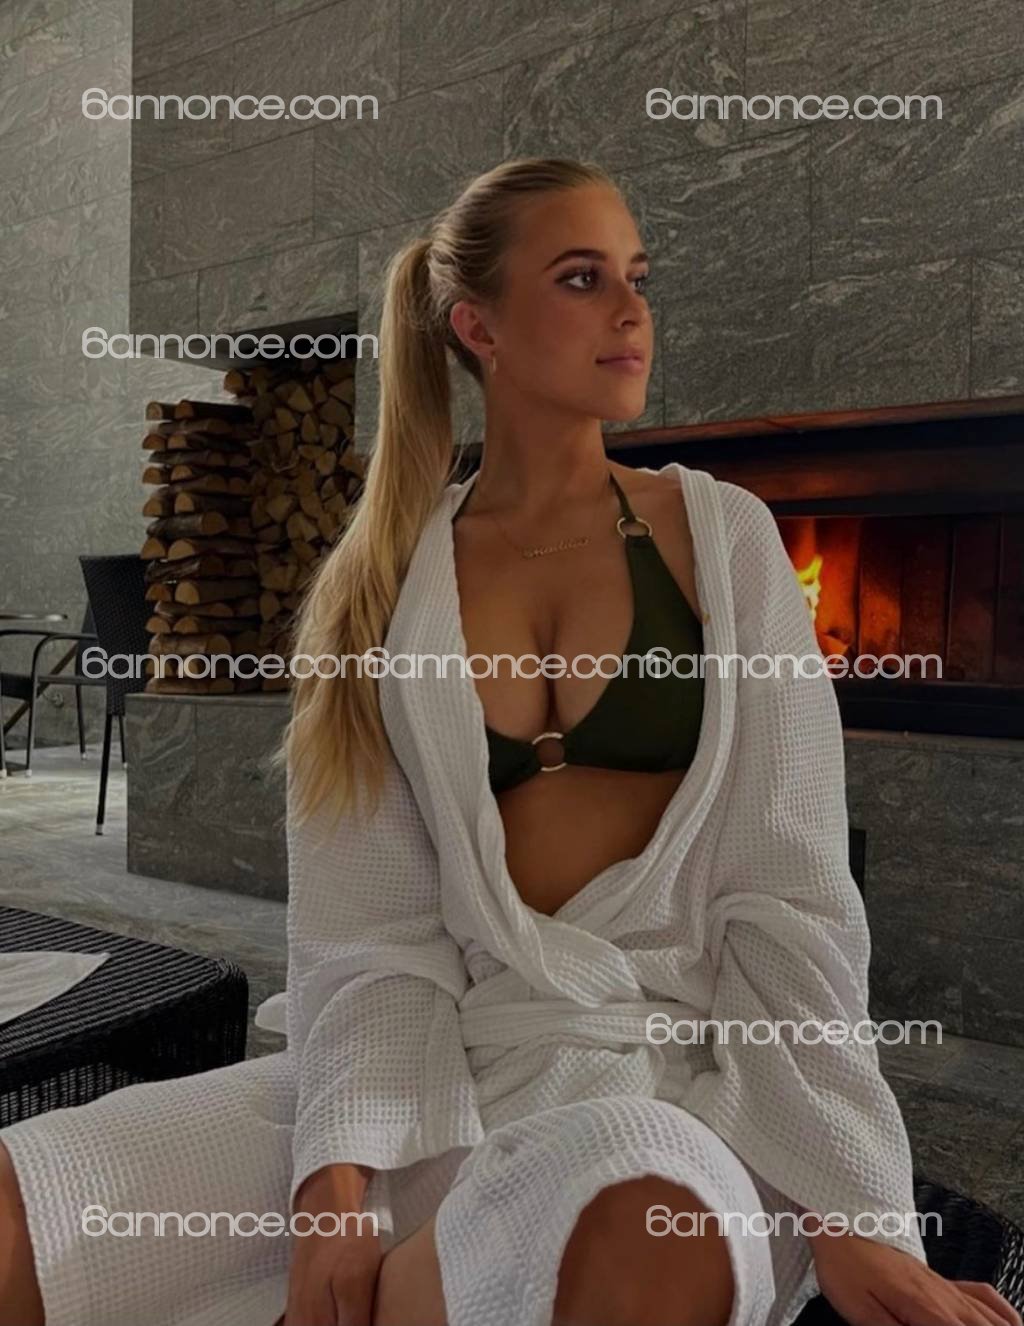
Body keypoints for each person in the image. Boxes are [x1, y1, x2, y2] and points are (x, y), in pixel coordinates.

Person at [2, 156, 1020, 1326]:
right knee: (40, 1201)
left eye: (636, 276)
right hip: (428, 1072)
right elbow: (368, 937)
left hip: (675, 1103)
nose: (631, 309)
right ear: (475, 326)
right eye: (582, 278)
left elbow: (791, 905)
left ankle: (435, 1273)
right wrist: (335, 1185)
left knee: (633, 1217)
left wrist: (851, 1214)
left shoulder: (726, 540)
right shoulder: (379, 583)